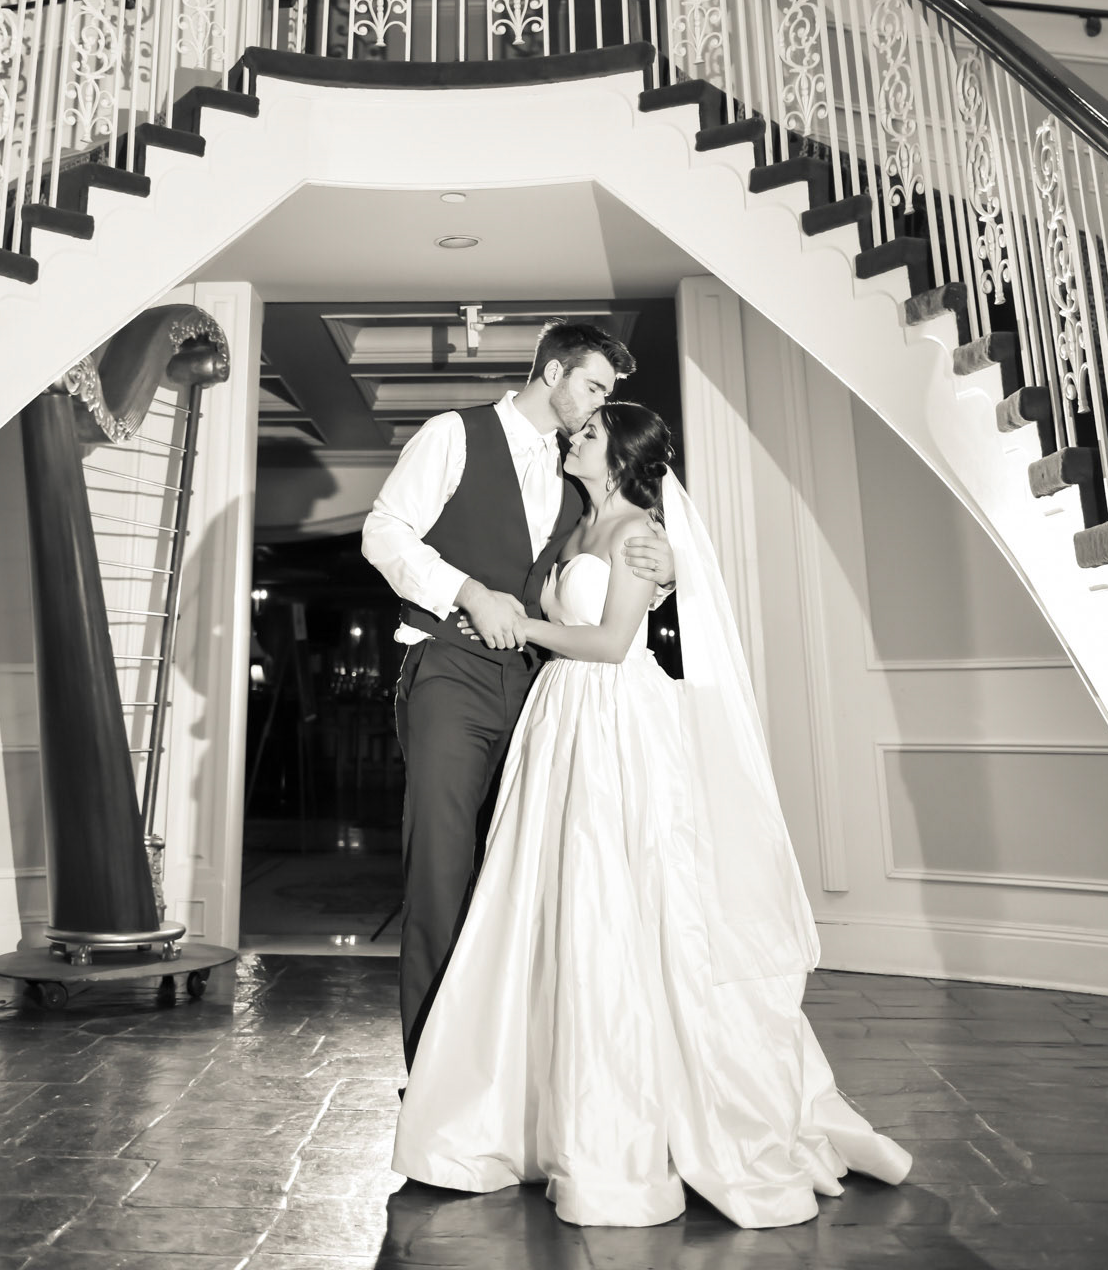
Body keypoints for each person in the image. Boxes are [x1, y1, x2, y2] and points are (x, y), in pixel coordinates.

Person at [392, 401, 912, 1230]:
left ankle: (629, 1114)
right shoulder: (575, 530)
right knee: (548, 898)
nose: (575, 437)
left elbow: (606, 642)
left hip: (610, 717)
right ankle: (529, 1104)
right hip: (558, 719)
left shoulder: (637, 535)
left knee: (615, 893)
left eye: (590, 433)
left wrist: (518, 619)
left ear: (623, 454)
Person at [361, 322, 675, 1067]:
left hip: (547, 693)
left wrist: (662, 572)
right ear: (555, 371)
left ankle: (517, 1069)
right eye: (594, 386)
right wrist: (467, 589)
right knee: (439, 867)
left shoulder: (581, 470)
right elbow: (384, 532)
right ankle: (435, 1070)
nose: (599, 405)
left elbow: (599, 585)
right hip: (450, 673)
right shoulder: (454, 434)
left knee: (529, 873)